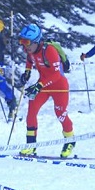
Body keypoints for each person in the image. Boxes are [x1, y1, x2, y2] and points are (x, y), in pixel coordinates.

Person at [17, 23, 75, 158]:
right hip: (43, 85)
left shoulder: (49, 51)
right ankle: (31, 146)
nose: (25, 45)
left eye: (27, 42)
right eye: (22, 41)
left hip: (59, 86)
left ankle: (70, 140)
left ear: (37, 41)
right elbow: (30, 60)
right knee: (31, 112)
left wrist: (39, 85)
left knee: (60, 114)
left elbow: (56, 75)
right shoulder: (30, 50)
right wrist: (27, 72)